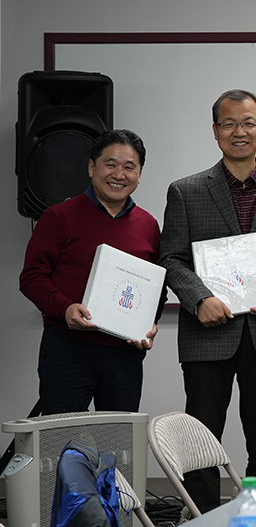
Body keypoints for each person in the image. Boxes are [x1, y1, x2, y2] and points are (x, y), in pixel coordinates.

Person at [160, 89, 256, 512]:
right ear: (216, 131)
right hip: (208, 334)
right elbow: (170, 256)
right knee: (202, 440)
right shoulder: (185, 191)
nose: (239, 132)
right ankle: (200, 521)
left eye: (248, 123)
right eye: (229, 124)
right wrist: (199, 297)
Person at [20, 129, 161, 415]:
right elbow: (32, 277)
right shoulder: (59, 217)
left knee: (121, 444)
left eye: (129, 166)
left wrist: (149, 323)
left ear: (140, 173)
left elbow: (156, 287)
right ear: (91, 167)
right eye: (110, 164)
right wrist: (65, 308)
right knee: (59, 439)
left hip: (125, 355)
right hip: (67, 349)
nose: (119, 174)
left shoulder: (148, 225)